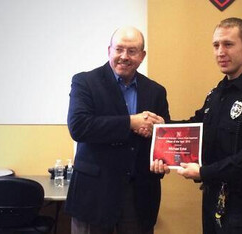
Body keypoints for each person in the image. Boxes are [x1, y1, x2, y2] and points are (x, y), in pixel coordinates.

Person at [152, 17, 242, 234]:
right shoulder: (218, 93)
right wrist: (161, 129)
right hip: (215, 198)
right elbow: (197, 128)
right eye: (216, 45)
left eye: (228, 44)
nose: (220, 52)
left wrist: (204, 172)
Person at [66, 26, 170, 234]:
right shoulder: (85, 82)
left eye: (132, 51)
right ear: (109, 51)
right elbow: (79, 127)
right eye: (119, 49)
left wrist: (160, 137)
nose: (124, 56)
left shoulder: (156, 91)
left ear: (142, 56)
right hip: (94, 195)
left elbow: (160, 141)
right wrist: (131, 122)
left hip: (138, 195)